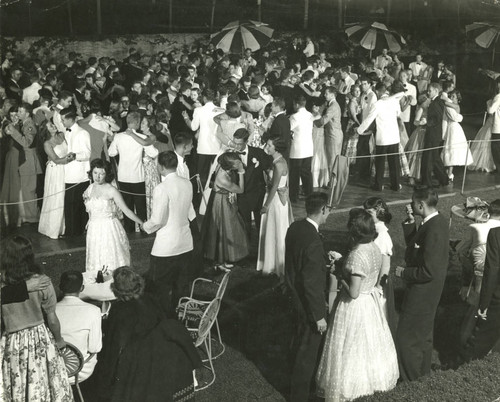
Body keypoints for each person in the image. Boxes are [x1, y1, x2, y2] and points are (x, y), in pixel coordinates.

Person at [316, 210, 398, 401]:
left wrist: (338, 274)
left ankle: (348, 388)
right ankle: (368, 384)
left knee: (349, 349)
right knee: (368, 347)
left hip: (354, 305)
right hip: (370, 302)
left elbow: (353, 292)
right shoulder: (375, 248)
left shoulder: (356, 255)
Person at [95, 267, 201, 402]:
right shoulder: (151, 298)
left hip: (142, 359)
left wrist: (106, 379)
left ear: (116, 289)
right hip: (168, 350)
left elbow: (114, 346)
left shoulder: (119, 310)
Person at [0, 235, 73, 402]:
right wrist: (59, 339)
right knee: (43, 381)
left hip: (12, 341)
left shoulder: (3, 283)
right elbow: (52, 318)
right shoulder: (42, 282)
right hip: (40, 339)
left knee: (16, 382)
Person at [395, 187, 449, 381]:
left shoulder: (434, 228)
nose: (410, 206)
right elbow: (419, 250)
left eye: (412, 203)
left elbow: (428, 270)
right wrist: (411, 224)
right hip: (429, 293)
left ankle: (410, 380)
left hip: (422, 293)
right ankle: (422, 377)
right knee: (424, 337)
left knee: (406, 339)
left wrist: (404, 272)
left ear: (420, 205)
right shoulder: (434, 222)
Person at [285, 192, 330, 402]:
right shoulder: (313, 240)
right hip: (307, 306)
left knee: (296, 347)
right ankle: (300, 396)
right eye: (328, 209)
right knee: (307, 354)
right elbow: (311, 283)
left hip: (293, 297)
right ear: (322, 210)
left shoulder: (295, 227)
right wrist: (319, 316)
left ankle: (295, 389)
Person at [142, 151, 193, 315]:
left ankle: (162, 321)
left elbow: (157, 220)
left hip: (166, 248)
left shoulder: (161, 188)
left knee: (159, 290)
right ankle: (177, 319)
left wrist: (145, 227)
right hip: (185, 243)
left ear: (161, 167)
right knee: (180, 288)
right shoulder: (187, 183)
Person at [84, 159, 143, 273]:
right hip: (94, 229)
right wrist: (90, 220)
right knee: (96, 257)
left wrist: (141, 223)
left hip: (108, 228)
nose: (98, 176)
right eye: (95, 173)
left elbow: (126, 210)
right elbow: (91, 208)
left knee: (111, 257)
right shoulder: (89, 189)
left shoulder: (111, 190)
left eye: (102, 173)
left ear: (107, 174)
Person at [108, 111, 158, 232]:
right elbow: (154, 153)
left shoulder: (118, 137)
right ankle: (143, 229)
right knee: (140, 207)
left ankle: (129, 231)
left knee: (127, 206)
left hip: (123, 176)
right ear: (137, 123)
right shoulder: (141, 138)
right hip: (137, 176)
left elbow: (111, 152)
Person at [201, 151, 249, 269]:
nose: (239, 163)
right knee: (222, 229)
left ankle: (222, 259)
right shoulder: (223, 179)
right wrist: (241, 172)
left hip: (223, 198)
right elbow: (241, 190)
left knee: (227, 228)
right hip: (220, 202)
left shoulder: (222, 165)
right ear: (230, 166)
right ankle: (219, 262)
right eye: (236, 163)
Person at [55, 270, 102, 384]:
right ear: (82, 288)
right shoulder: (94, 310)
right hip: (79, 371)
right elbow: (95, 348)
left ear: (60, 287)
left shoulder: (51, 311)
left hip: (53, 369)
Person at [257, 137, 293, 277]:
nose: (267, 146)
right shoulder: (279, 160)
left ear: (276, 148)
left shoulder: (278, 164)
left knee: (276, 229)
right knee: (273, 229)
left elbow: (274, 188)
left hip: (275, 201)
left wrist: (266, 206)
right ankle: (271, 262)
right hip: (276, 199)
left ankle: (276, 264)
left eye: (269, 145)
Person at [357, 82, 402, 192]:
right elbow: (398, 114)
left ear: (377, 91)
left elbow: (369, 119)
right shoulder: (394, 102)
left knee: (380, 162)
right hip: (394, 136)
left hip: (382, 137)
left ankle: (378, 185)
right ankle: (396, 185)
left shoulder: (377, 104)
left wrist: (359, 130)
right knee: (394, 162)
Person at [363, 196, 397, 336]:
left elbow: (385, 267)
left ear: (379, 213)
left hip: (378, 284)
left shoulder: (382, 236)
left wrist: (378, 288)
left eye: (369, 213)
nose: (366, 216)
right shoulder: (373, 231)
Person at [456, 200, 500, 304]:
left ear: (487, 214)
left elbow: (460, 249)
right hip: (496, 270)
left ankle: (466, 287)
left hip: (478, 268)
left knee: (464, 256)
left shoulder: (475, 227)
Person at [231, 128, 271, 240]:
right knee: (245, 225)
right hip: (242, 195)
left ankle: (261, 248)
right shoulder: (231, 156)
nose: (236, 147)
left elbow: (268, 170)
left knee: (260, 224)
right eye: (235, 143)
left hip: (258, 193)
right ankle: (246, 250)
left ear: (246, 141)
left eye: (239, 144)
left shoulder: (258, 153)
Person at [38, 120, 74, 239]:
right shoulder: (47, 144)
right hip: (55, 171)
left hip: (67, 169)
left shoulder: (62, 135)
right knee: (56, 197)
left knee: (66, 197)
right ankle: (53, 229)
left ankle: (66, 227)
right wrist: (71, 158)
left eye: (53, 124)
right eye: (50, 126)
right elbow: (56, 160)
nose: (53, 126)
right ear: (46, 130)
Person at [61, 106, 91, 236]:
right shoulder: (66, 132)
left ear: (70, 119)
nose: (62, 122)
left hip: (79, 175)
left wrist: (75, 156)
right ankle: (71, 231)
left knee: (76, 205)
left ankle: (76, 232)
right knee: (69, 204)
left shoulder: (82, 133)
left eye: (63, 120)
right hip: (68, 173)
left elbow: (87, 154)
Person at [420, 82, 449, 187]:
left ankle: (426, 183)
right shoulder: (436, 101)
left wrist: (426, 122)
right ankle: (444, 180)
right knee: (435, 158)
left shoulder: (436, 103)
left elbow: (436, 118)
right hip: (434, 134)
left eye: (430, 90)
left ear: (436, 91)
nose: (428, 92)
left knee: (428, 159)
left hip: (433, 135)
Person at [441, 90, 473, 182]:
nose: (452, 98)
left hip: (455, 129)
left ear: (458, 99)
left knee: (452, 150)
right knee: (448, 149)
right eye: (451, 96)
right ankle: (448, 172)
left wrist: (446, 98)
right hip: (450, 128)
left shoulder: (456, 106)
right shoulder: (450, 105)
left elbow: (446, 103)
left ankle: (449, 173)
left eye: (454, 97)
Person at [288, 95, 314, 202]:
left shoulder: (294, 117)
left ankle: (293, 197)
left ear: (297, 104)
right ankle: (309, 194)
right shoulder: (310, 114)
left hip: (297, 149)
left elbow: (288, 128)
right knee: (306, 173)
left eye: (294, 104)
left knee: (295, 173)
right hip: (308, 148)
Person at [314, 87, 343, 177]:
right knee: (332, 158)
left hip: (333, 135)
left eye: (326, 94)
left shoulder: (333, 106)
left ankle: (333, 182)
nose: (324, 95)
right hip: (333, 134)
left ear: (332, 95)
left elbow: (324, 121)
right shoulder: (331, 105)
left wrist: (313, 120)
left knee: (332, 159)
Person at [406, 94, 431, 186]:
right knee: (415, 153)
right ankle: (411, 176)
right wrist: (421, 122)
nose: (428, 102)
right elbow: (415, 122)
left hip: (426, 133)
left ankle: (418, 175)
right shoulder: (421, 109)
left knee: (422, 155)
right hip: (420, 133)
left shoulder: (429, 109)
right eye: (427, 100)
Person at [468, 107, 496, 173]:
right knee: (486, 142)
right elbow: (491, 111)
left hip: (494, 122)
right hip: (492, 122)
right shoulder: (492, 101)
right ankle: (486, 164)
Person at [311, 100, 329, 188]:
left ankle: (321, 181)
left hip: (320, 139)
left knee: (319, 158)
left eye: (318, 106)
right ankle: (314, 181)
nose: (317, 108)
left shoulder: (320, 117)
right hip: (313, 139)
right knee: (314, 159)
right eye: (315, 106)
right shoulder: (311, 116)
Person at [487, 76, 500, 172]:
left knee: (495, 148)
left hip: (498, 127)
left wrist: (489, 104)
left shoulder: (498, 97)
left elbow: (491, 111)